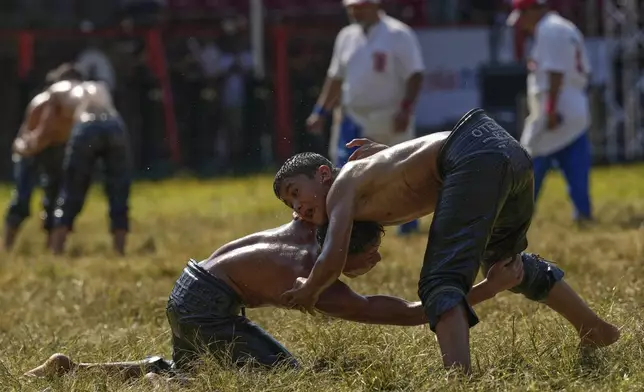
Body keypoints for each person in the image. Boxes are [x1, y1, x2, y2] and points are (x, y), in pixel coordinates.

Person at [273, 108, 620, 373]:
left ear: (322, 174)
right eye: (290, 205)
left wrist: (310, 288)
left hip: (472, 152)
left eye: (295, 193)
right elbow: (408, 165)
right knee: (504, 263)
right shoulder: (365, 183)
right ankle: (592, 328)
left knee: (441, 281)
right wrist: (389, 152)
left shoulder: (342, 187)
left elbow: (333, 254)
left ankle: (460, 379)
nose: (297, 208)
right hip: (506, 151)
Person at [24, 217, 524, 382]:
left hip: (191, 286)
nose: (375, 262)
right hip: (208, 305)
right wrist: (491, 287)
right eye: (370, 255)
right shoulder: (315, 276)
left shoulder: (307, 228)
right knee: (286, 375)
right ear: (346, 247)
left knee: (191, 366)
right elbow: (406, 315)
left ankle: (74, 369)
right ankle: (155, 385)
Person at [306, 0, 425, 236]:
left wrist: (406, 108)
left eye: (360, 7)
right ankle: (352, 226)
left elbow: (415, 74)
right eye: (351, 7)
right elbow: (336, 78)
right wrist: (321, 111)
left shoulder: (398, 34)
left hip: (390, 115)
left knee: (402, 171)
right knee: (343, 170)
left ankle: (408, 225)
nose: (355, 12)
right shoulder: (346, 36)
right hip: (354, 116)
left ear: (375, 5)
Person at [15, 63, 132, 255]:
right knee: (118, 189)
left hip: (86, 126)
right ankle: (120, 248)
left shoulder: (56, 90)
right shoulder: (97, 86)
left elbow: (46, 130)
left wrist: (24, 148)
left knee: (71, 189)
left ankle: (56, 249)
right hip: (115, 125)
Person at [507, 0, 593, 223]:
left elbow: (555, 73)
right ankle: (582, 213)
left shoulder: (549, 30)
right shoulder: (561, 27)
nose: (522, 24)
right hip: (572, 105)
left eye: (522, 16)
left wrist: (551, 110)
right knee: (575, 166)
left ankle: (516, 218)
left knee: (528, 163)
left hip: (557, 107)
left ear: (532, 10)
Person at [7, 65, 84, 251]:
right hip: (30, 150)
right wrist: (29, 147)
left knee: (56, 196)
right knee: (22, 196)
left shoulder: (77, 106)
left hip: (56, 149)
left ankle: (52, 247)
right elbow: (28, 137)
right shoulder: (41, 104)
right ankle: (6, 245)